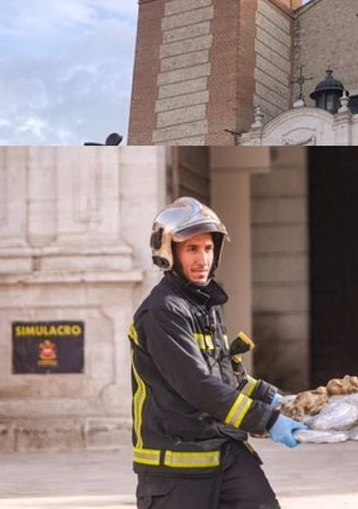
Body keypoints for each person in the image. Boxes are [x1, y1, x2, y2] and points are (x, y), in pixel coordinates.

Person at [128, 197, 305, 509]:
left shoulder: (204, 305)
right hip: (177, 468)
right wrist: (266, 419)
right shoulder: (162, 311)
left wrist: (276, 399)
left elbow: (226, 374)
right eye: (192, 249)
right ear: (169, 253)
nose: (203, 259)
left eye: (208, 248)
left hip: (224, 452)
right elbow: (197, 384)